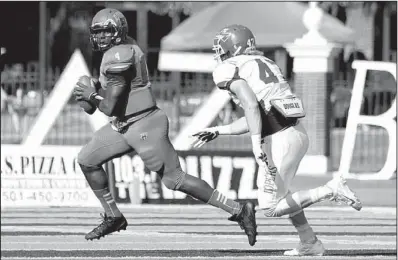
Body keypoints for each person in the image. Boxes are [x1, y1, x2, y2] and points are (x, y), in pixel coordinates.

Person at [72, 9, 257, 245]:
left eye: (106, 31)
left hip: (144, 124)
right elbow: (116, 97)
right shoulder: (121, 48)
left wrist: (92, 94)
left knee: (174, 179)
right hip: (123, 124)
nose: (100, 37)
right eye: (97, 32)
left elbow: (108, 106)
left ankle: (239, 210)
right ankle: (113, 216)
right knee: (87, 159)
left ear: (118, 32)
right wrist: (96, 89)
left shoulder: (119, 55)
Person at [191, 24, 362, 256]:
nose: (219, 53)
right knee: (284, 194)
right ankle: (309, 241)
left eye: (222, 48)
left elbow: (251, 106)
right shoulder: (266, 63)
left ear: (234, 47)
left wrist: (254, 144)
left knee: (270, 207)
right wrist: (220, 130)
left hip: (278, 141)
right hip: (295, 135)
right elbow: (259, 114)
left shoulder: (228, 68)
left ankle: (331, 189)